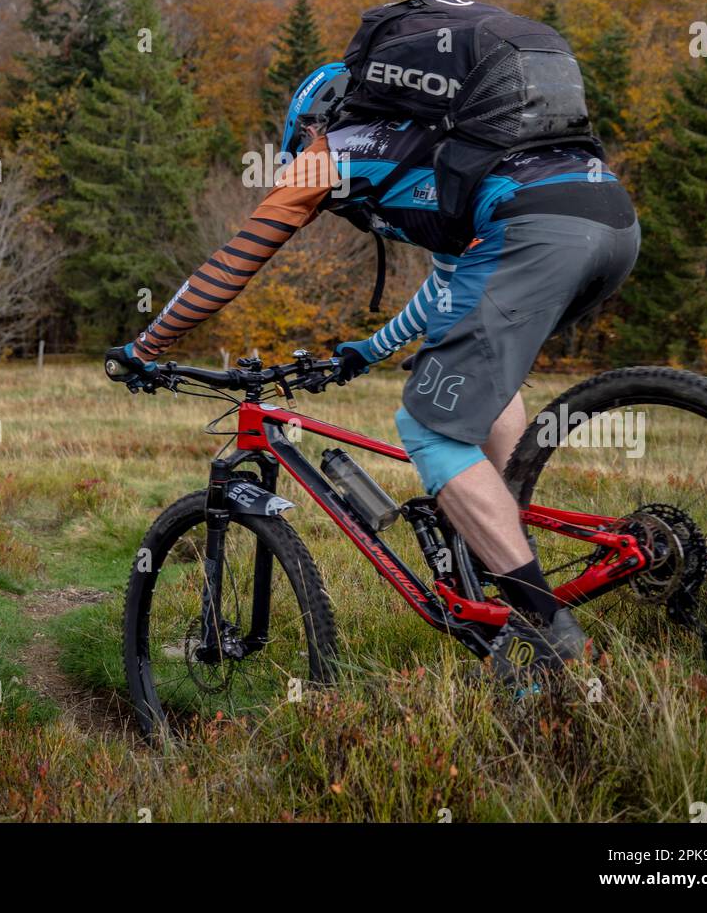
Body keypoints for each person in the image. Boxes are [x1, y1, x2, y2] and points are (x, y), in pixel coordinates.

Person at [106, 50, 640, 682]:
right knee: (474, 398)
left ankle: (545, 631)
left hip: (536, 234)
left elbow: (233, 262)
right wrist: (367, 349)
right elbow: (448, 291)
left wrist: (146, 347)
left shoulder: (337, 152)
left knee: (429, 430)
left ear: (316, 121)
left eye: (303, 135)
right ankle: (496, 564)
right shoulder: (444, 148)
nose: (303, 146)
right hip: (612, 225)